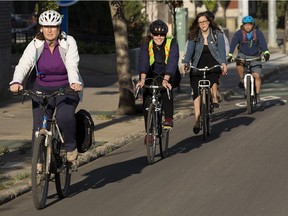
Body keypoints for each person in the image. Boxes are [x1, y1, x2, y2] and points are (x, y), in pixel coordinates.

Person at [9, 10, 83, 163]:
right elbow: (24, 64)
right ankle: (39, 165)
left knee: (64, 117)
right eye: (46, 26)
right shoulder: (35, 44)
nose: (50, 30)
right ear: (41, 28)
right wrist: (16, 81)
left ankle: (70, 147)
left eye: (53, 26)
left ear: (58, 28)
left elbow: (72, 64)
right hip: (41, 88)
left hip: (66, 88)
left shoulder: (68, 42)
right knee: (38, 127)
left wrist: (74, 82)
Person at [181, 12, 227, 134]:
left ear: (209, 22)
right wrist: (185, 63)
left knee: (213, 77)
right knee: (196, 90)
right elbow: (190, 51)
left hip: (213, 62)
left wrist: (223, 64)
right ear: (198, 24)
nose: (203, 25)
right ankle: (197, 119)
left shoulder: (217, 34)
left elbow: (222, 51)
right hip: (197, 64)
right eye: (200, 22)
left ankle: (213, 96)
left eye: (204, 22)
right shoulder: (193, 35)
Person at [136, 19, 179, 141]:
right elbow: (143, 60)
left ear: (165, 35)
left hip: (168, 73)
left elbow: (172, 60)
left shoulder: (172, 43)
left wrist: (166, 79)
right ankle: (149, 132)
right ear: (151, 34)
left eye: (162, 35)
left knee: (165, 90)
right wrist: (142, 79)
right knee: (147, 98)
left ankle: (168, 118)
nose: (159, 37)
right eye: (155, 34)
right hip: (150, 74)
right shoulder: (146, 43)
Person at [227, 15, 270, 103]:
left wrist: (266, 52)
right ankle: (242, 79)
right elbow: (233, 44)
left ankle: (257, 94)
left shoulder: (257, 33)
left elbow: (263, 43)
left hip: (255, 56)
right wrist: (230, 54)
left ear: (253, 25)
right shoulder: (239, 33)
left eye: (249, 24)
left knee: (257, 76)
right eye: (245, 24)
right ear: (243, 25)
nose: (247, 26)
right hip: (243, 55)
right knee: (239, 63)